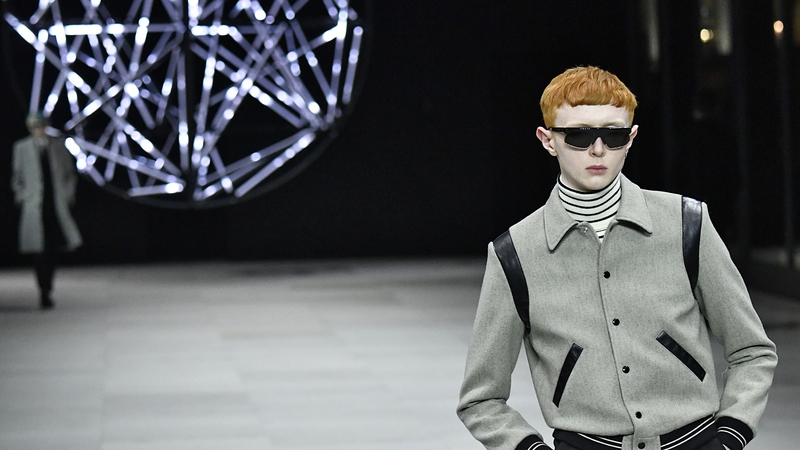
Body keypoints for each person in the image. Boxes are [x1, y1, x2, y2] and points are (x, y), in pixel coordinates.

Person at [457, 66, 777, 450]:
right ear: (547, 140)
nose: (597, 149)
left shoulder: (686, 223)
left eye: (613, 135)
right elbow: (481, 397)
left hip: (695, 440)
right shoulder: (515, 253)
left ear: (631, 138)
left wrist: (731, 434)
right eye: (578, 135)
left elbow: (752, 350)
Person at [11, 112, 82, 309]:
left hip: (55, 205)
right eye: (35, 127)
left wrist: (67, 196)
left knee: (51, 249)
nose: (39, 130)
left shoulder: (58, 145)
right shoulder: (22, 148)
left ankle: (47, 287)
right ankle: (43, 289)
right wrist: (23, 197)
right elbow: (17, 178)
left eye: (41, 126)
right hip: (35, 205)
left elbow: (69, 173)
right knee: (39, 251)